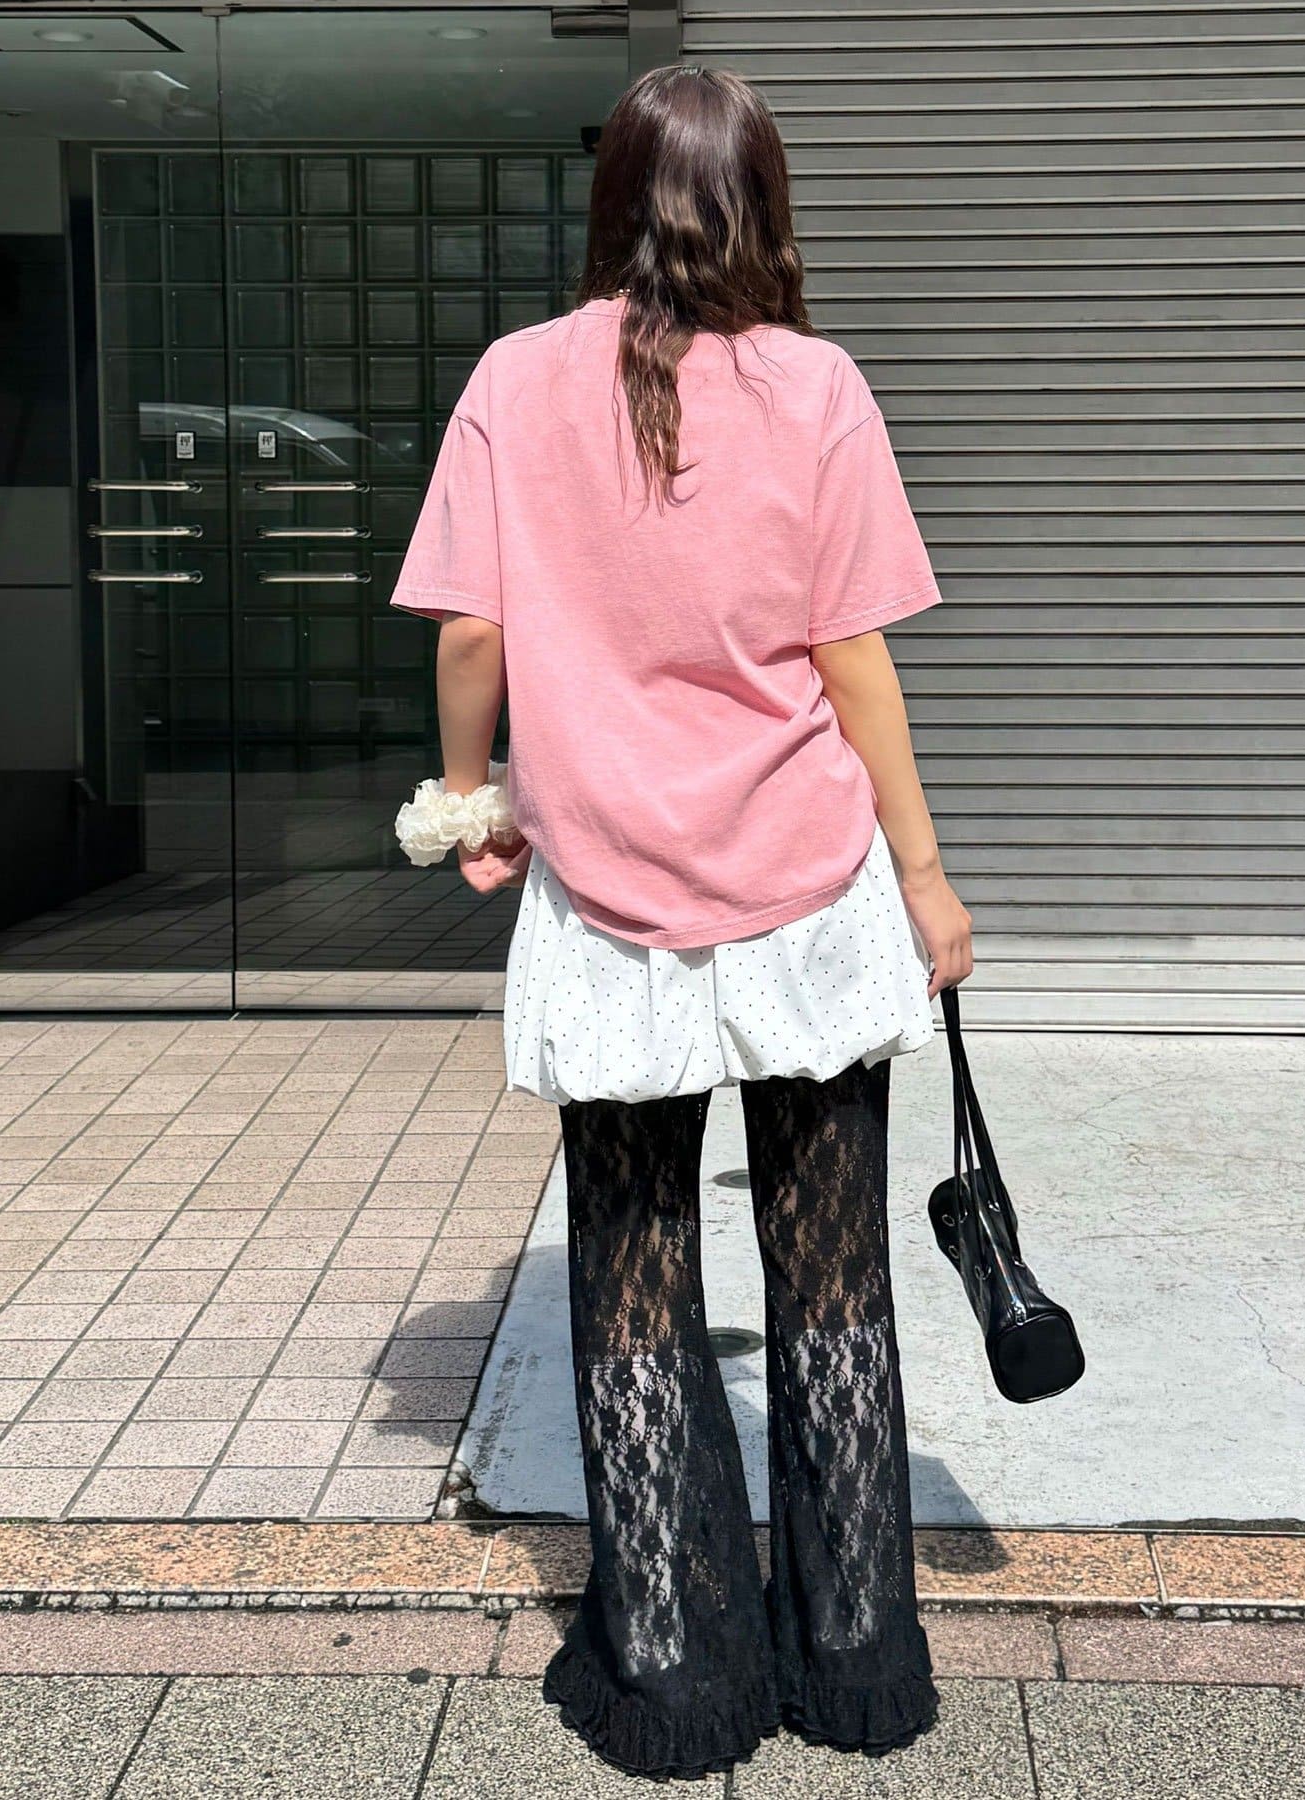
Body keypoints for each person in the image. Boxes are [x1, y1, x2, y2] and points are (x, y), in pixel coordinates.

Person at [388, 63, 972, 1783]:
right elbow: (855, 656)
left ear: (614, 200)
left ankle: (673, 1662)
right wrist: (925, 876)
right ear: (762, 208)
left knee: (633, 1279)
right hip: (807, 887)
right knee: (834, 1278)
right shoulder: (816, 385)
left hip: (610, 900)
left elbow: (470, 634)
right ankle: (852, 1658)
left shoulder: (516, 379)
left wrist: (472, 796)